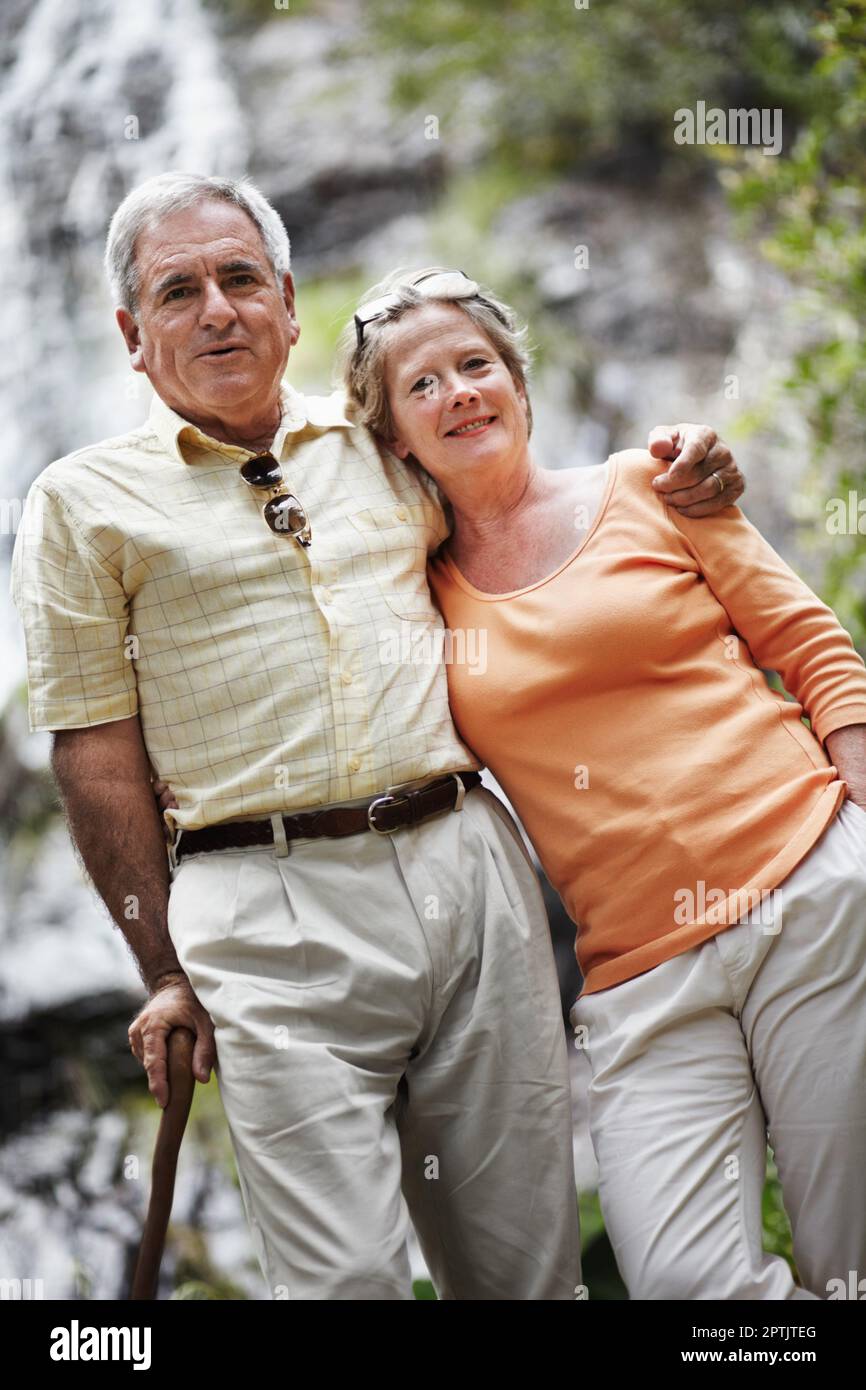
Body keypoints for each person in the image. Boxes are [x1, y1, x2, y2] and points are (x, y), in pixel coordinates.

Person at [10, 176, 742, 1301]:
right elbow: (95, 754)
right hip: (259, 909)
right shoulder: (79, 502)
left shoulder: (387, 443)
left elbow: (538, 510)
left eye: (240, 278)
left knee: (522, 1270)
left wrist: (674, 465)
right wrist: (159, 969)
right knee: (343, 1279)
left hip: (469, 875)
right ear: (131, 333)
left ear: (289, 303)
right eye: (179, 290)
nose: (217, 309)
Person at [327, 266, 866, 1301]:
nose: (459, 393)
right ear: (392, 436)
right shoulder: (409, 601)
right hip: (636, 973)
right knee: (679, 1283)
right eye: (422, 385)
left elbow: (811, 646)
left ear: (519, 385)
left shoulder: (646, 484)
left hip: (809, 891)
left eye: (475, 364)